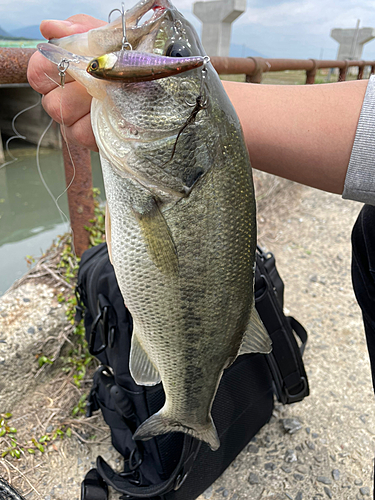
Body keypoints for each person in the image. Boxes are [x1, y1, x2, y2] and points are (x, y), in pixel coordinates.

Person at [28, 11, 375, 440]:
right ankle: (190, 408)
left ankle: (188, 410)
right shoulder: (192, 154)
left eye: (175, 56)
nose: (170, 53)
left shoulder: (187, 160)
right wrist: (145, 77)